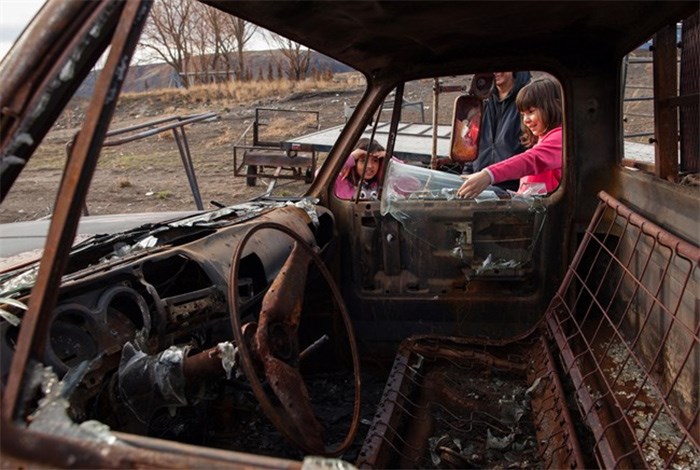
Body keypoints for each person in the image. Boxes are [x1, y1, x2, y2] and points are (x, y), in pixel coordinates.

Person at [457, 77, 563, 199]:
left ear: (553, 106)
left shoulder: (559, 138)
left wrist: (489, 175)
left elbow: (531, 159)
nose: (526, 120)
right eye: (523, 115)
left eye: (531, 111)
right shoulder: (542, 139)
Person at [465, 71, 532, 191]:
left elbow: (534, 148)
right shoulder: (481, 101)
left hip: (513, 190)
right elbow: (471, 143)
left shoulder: (528, 101)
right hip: (478, 186)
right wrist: (466, 175)